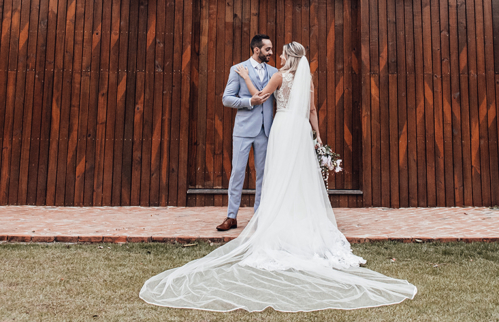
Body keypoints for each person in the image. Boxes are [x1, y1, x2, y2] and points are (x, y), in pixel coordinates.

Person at [140, 42, 417, 312]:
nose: (278, 55)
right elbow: (311, 110)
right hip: (299, 131)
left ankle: (272, 218)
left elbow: (260, 96)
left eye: (282, 52)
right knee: (297, 176)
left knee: (277, 175)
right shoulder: (306, 80)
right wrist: (317, 135)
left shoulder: (278, 76)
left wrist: (247, 78)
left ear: (288, 57)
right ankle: (274, 216)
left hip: (282, 128)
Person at [215, 34, 277, 232]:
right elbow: (226, 99)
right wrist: (249, 102)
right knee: (237, 173)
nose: (271, 53)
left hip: (265, 130)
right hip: (243, 130)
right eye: (268, 49)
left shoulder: (275, 72)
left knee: (263, 175)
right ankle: (231, 216)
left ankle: (259, 215)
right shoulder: (238, 69)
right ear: (256, 50)